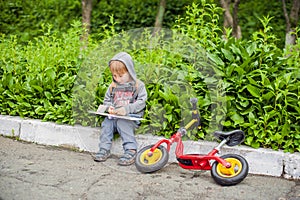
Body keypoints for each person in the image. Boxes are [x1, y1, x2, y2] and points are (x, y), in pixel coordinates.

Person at [94, 52, 147, 166]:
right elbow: (107, 100)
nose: (117, 79)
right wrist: (109, 108)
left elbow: (141, 103)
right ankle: (104, 149)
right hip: (114, 117)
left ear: (130, 71)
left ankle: (130, 150)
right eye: (114, 76)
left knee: (123, 123)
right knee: (107, 124)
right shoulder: (113, 86)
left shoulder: (138, 86)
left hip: (130, 118)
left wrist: (126, 109)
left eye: (120, 76)